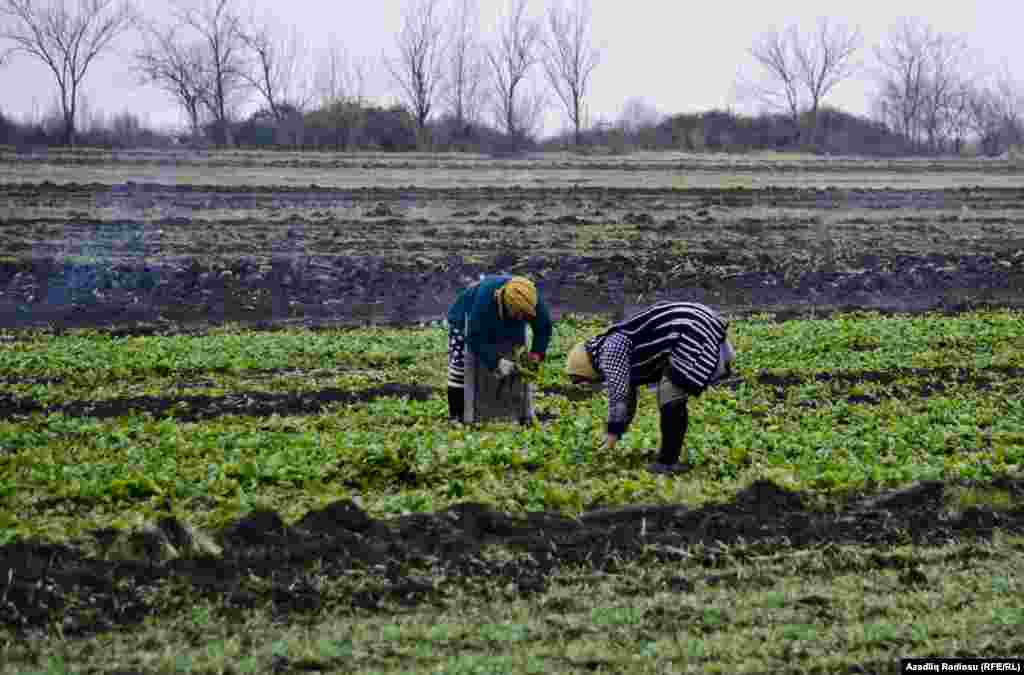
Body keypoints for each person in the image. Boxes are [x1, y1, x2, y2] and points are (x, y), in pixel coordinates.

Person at [564, 301, 736, 475]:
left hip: (689, 326)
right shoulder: (608, 348)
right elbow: (628, 396)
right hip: (694, 319)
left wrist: (612, 433)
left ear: (585, 367)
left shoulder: (608, 352)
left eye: (581, 380)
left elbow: (619, 395)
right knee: (671, 392)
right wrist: (617, 431)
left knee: (670, 396)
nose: (587, 384)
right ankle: (669, 459)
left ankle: (668, 463)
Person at [446, 275, 553, 422]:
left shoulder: (530, 299)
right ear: (506, 305)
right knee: (459, 367)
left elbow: (544, 327)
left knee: (518, 366)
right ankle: (456, 416)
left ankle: (521, 413)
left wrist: (536, 355)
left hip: (506, 325)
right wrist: (497, 362)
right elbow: (473, 338)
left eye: (524, 315)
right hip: (466, 319)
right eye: (518, 314)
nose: (521, 317)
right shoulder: (484, 301)